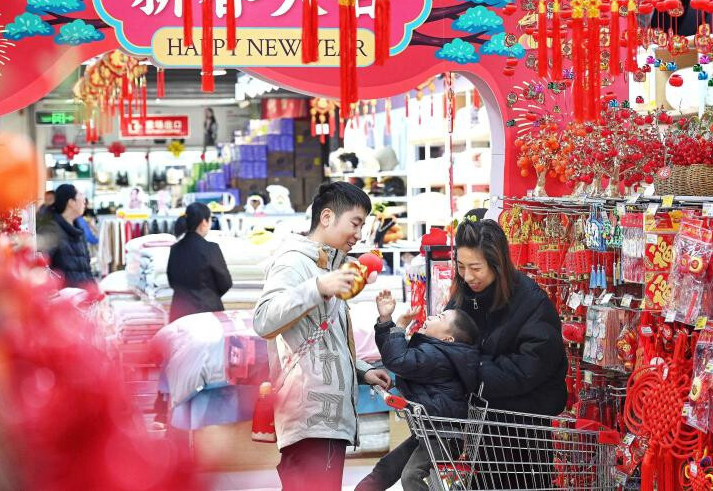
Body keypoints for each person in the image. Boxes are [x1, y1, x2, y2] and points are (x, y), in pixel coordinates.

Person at [253, 182, 391, 491]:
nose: (359, 234)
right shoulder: (294, 262)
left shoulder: (330, 265)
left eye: (362, 226)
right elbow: (264, 320)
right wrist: (318, 287)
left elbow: (327, 338)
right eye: (355, 223)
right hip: (311, 416)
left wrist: (362, 371)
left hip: (325, 418)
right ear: (326, 217)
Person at [444, 216, 568, 488]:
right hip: (479, 432)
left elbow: (530, 367)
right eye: (461, 267)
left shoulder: (531, 302)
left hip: (522, 436)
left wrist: (472, 370)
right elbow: (447, 344)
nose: (467, 276)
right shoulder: (463, 297)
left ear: (497, 264)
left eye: (475, 267)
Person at [355, 294, 480, 491]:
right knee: (387, 467)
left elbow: (397, 360)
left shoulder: (439, 357)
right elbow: (392, 355)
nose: (431, 317)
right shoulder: (434, 351)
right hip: (430, 432)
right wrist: (387, 323)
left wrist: (397, 327)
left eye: (439, 317)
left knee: (411, 475)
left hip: (445, 437)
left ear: (448, 338)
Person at [166, 203, 233, 322]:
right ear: (204, 222)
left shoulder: (175, 249)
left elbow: (172, 281)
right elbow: (225, 282)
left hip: (179, 312)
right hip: (207, 312)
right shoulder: (211, 248)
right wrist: (209, 294)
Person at [44, 184, 94, 288]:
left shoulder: (79, 231)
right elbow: (44, 268)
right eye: (80, 195)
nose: (84, 200)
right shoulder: (52, 230)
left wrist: (94, 291)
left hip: (83, 298)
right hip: (64, 300)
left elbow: (87, 269)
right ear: (71, 202)